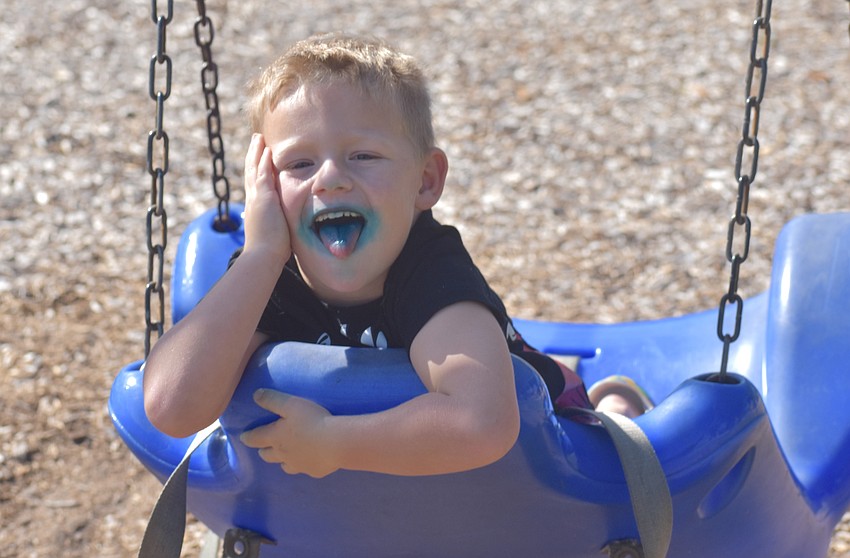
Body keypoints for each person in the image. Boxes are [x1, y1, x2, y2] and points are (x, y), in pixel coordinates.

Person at [142, 32, 647, 479]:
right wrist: (260, 254)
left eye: (363, 155)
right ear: (265, 186)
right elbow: (170, 407)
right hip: (392, 505)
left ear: (425, 181)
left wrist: (335, 441)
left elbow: (484, 423)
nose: (331, 178)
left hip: (551, 446)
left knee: (600, 420)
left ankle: (612, 397)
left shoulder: (431, 273)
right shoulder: (271, 273)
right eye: (298, 163)